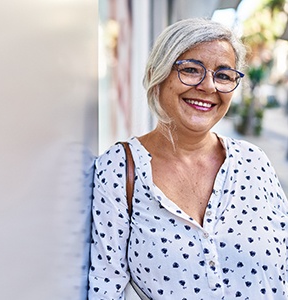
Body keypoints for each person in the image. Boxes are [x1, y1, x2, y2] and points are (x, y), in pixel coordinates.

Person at [88, 18, 288, 299]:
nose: (208, 87)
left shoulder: (254, 162)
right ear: (157, 74)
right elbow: (105, 286)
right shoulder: (119, 169)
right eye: (191, 70)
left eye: (223, 75)